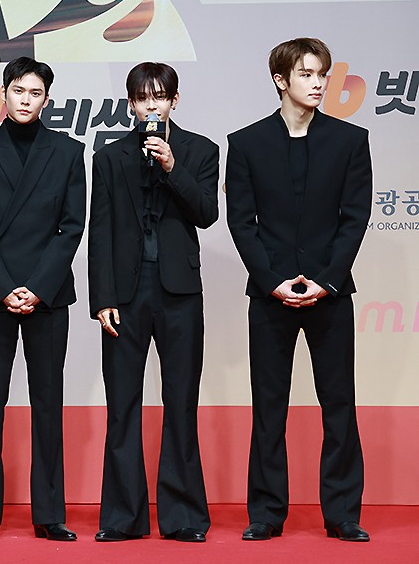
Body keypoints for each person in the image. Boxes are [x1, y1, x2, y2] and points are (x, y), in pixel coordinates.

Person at [226, 37, 372, 542]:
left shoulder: (350, 140)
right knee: (269, 406)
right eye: (306, 74)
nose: (318, 83)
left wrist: (327, 281)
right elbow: (242, 222)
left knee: (339, 403)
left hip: (331, 291)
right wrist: (273, 282)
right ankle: (266, 513)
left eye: (322, 74)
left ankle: (343, 513)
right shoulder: (246, 143)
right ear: (280, 79)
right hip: (271, 294)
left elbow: (354, 218)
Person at [0, 57, 85, 542]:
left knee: (47, 403)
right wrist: (4, 286)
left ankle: (49, 513)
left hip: (47, 295)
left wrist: (38, 286)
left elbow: (71, 225)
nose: (26, 99)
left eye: (35, 93)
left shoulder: (68, 152)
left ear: (46, 100)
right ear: (4, 93)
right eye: (18, 90)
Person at [88, 62, 218, 543]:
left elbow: (206, 213)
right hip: (124, 296)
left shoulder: (200, 150)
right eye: (143, 98)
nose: (151, 106)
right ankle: (122, 517)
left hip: (179, 293)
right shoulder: (109, 157)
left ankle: (183, 517)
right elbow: (99, 230)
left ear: (174, 101)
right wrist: (102, 297)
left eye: (160, 97)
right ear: (131, 104)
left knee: (180, 402)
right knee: (122, 405)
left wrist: (171, 166)